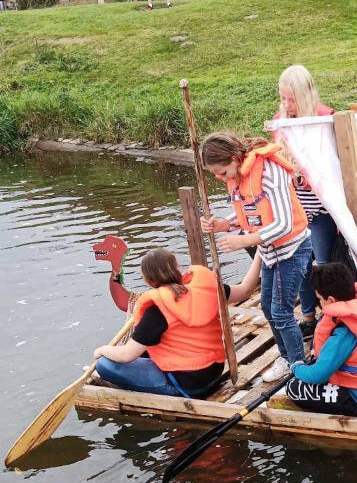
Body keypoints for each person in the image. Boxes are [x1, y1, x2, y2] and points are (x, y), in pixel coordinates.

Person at [200, 131, 313, 381]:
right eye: (214, 174)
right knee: (267, 306)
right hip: (269, 250)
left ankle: (297, 364)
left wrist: (245, 240)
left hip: (292, 248)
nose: (219, 178)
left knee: (281, 310)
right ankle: (287, 357)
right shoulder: (240, 176)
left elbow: (283, 224)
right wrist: (223, 224)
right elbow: (249, 213)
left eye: (221, 171)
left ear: (234, 158)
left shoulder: (271, 171)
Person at [93, 248, 226, 397]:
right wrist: (258, 257)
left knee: (104, 364)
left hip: (187, 385)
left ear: (147, 281)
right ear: (178, 269)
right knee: (143, 349)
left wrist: (101, 350)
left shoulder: (156, 310)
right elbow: (245, 290)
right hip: (214, 372)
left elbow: (126, 355)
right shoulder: (204, 290)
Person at [271, 64, 337, 338]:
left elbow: (335, 164)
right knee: (299, 263)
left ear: (305, 94)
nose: (287, 104)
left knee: (322, 265)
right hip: (295, 208)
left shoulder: (326, 118)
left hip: (321, 208)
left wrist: (306, 173)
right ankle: (309, 316)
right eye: (283, 98)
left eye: (292, 99)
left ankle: (331, 316)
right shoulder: (280, 121)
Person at [286, 263, 357, 415]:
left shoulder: (345, 330)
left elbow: (318, 375)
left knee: (293, 387)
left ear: (330, 300)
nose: (320, 303)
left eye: (320, 299)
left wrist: (296, 367)